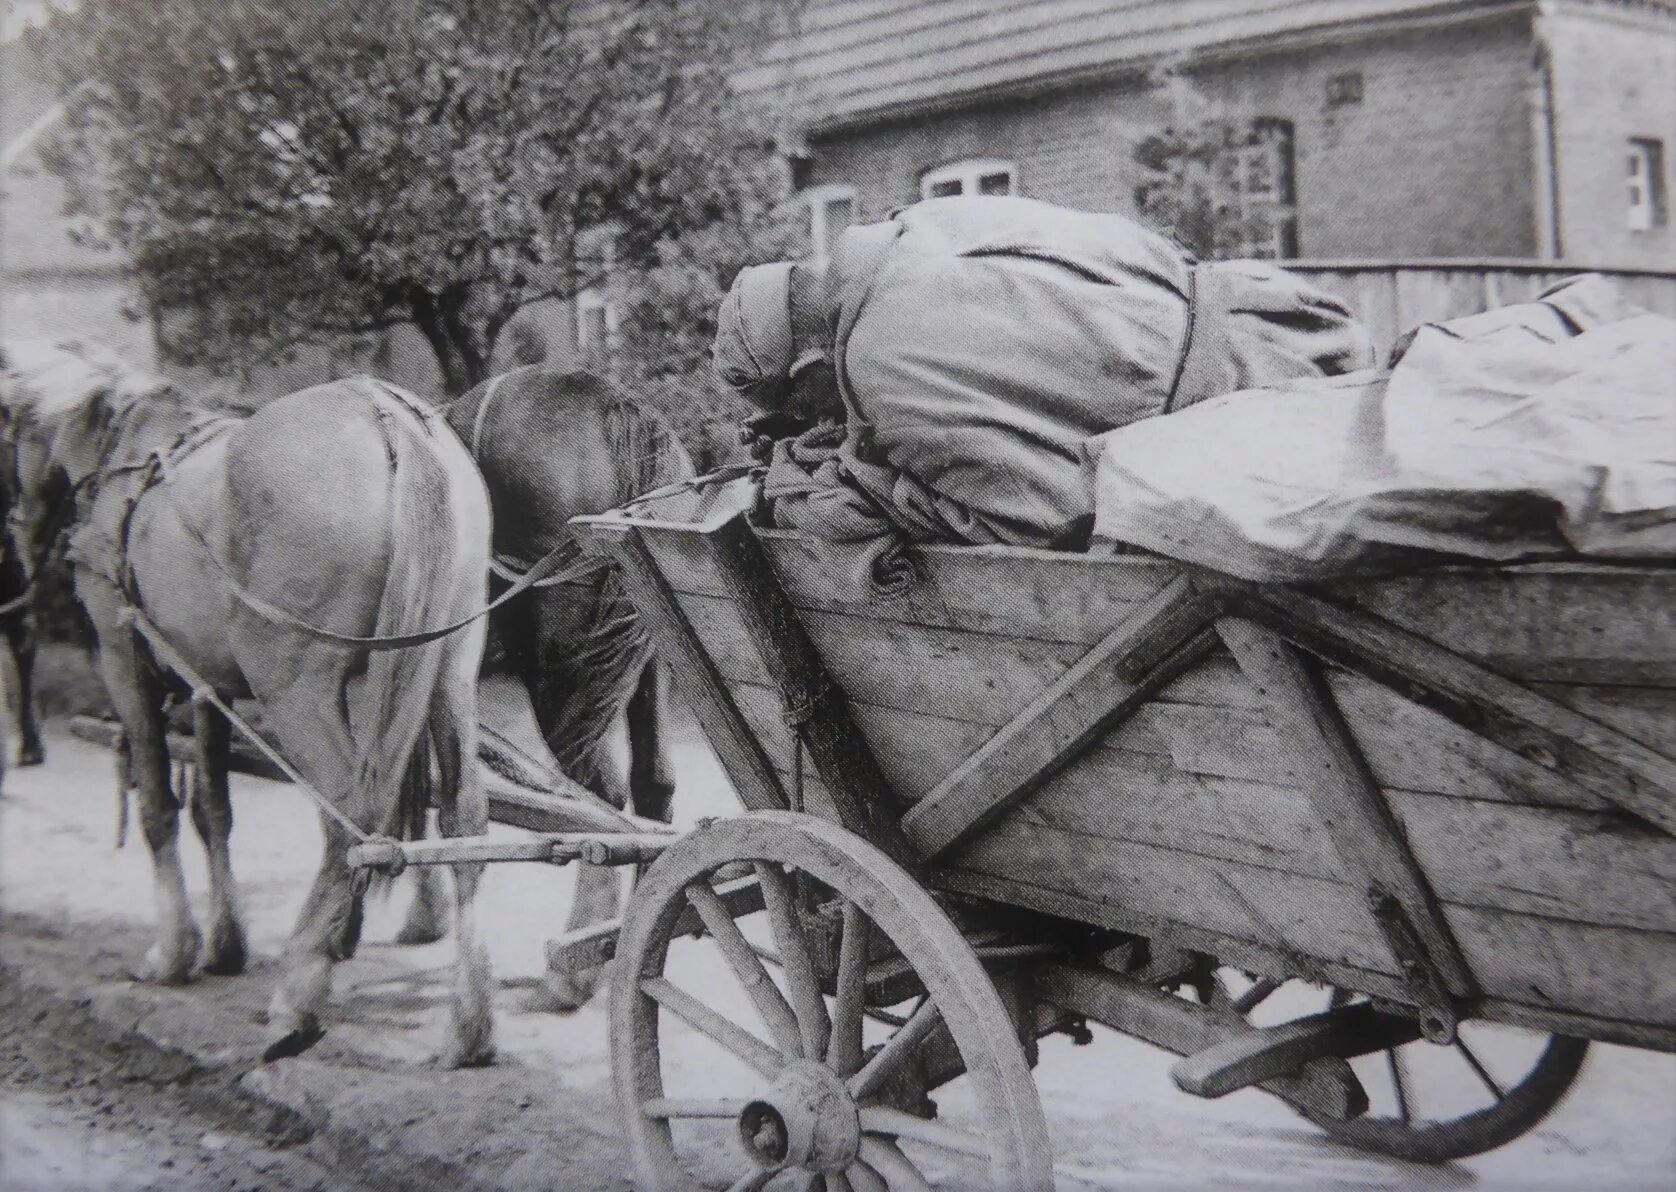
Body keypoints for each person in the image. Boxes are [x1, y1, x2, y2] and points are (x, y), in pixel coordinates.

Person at [712, 195, 1375, 574]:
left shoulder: (880, 372)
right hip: (1301, 333)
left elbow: (1045, 523)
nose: (812, 425)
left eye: (798, 409)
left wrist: (861, 481)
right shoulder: (923, 223)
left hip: (1256, 444)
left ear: (806, 366)